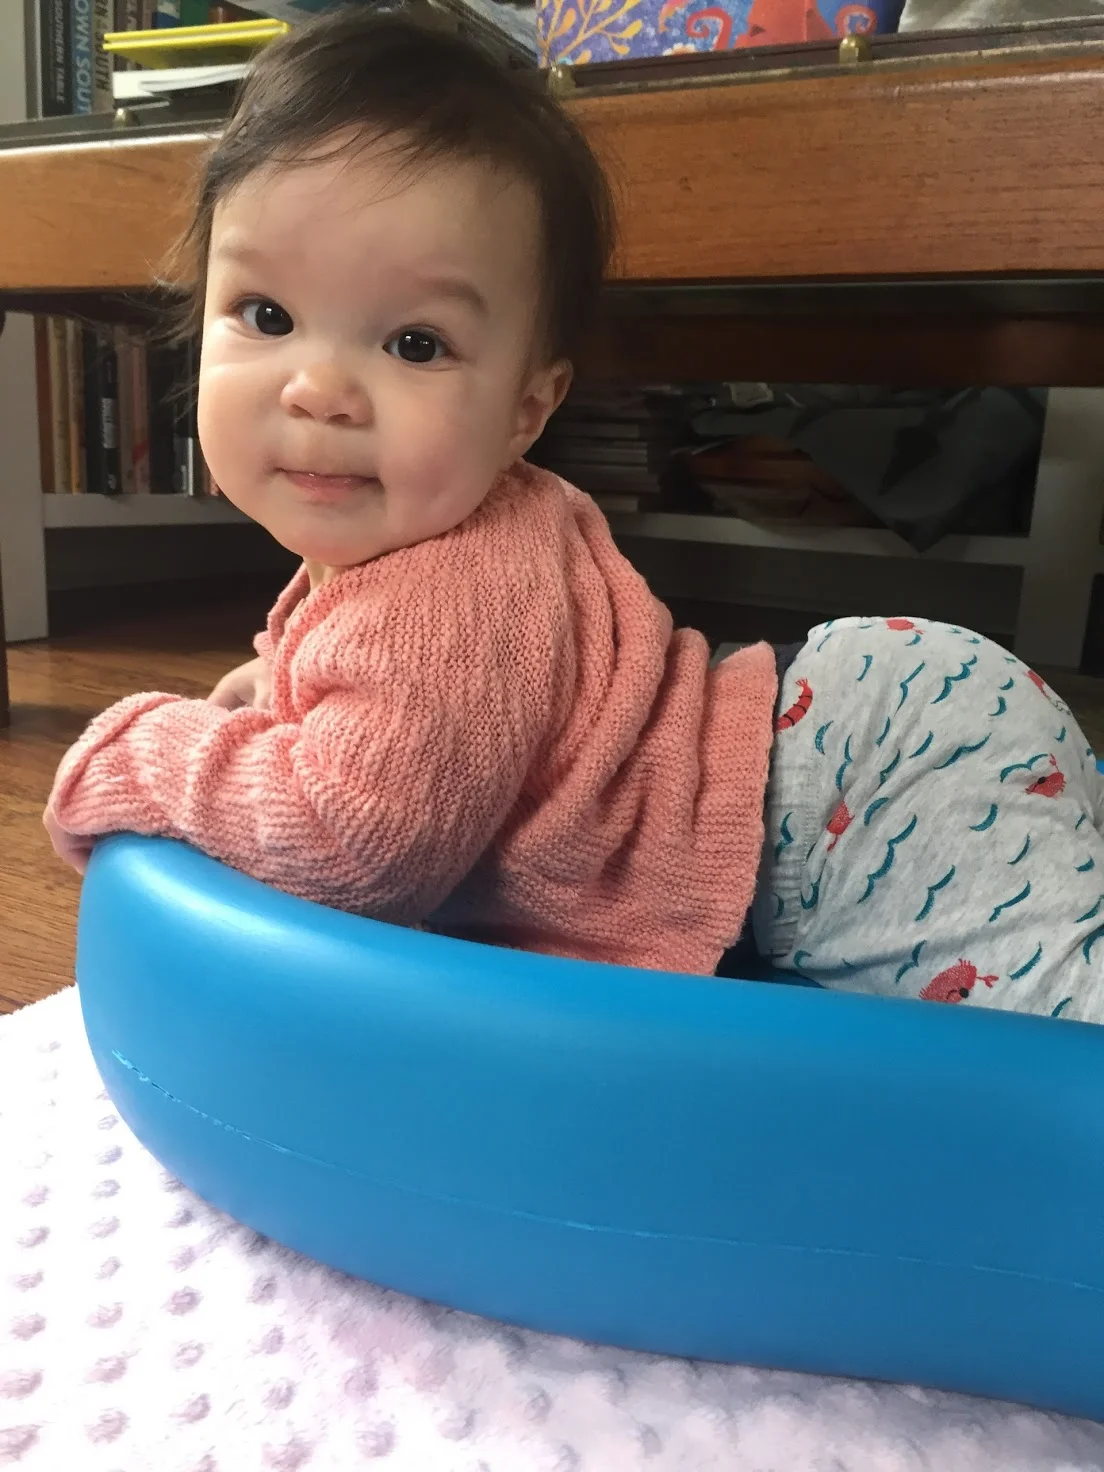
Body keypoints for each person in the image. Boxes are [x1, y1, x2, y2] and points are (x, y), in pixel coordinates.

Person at [45, 8, 1104, 1020]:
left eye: (414, 343)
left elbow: (352, 846)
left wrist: (142, 747)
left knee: (1059, 1052)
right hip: (864, 719)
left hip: (853, 801)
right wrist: (265, 687)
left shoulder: (447, 591)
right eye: (266, 315)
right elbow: (383, 699)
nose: (319, 387)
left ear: (526, 408)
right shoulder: (401, 541)